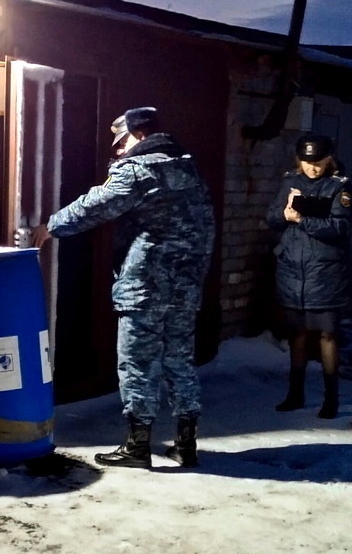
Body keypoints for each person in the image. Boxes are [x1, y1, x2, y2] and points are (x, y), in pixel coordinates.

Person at [30, 106, 215, 468]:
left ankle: (137, 447)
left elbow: (95, 206)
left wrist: (51, 226)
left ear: (140, 135)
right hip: (186, 285)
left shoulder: (138, 170)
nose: (118, 149)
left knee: (137, 363)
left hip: (146, 284)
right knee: (179, 360)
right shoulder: (188, 167)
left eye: (122, 141)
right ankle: (186, 443)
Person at [266, 133, 352, 419]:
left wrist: (302, 219)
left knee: (327, 335)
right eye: (307, 162)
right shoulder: (290, 182)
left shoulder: (339, 186)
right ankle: (295, 394)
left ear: (329, 159)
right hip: (293, 270)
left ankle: (331, 399)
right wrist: (285, 213)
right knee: (298, 334)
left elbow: (340, 227)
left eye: (318, 162)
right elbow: (271, 218)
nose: (312, 168)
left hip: (325, 272)